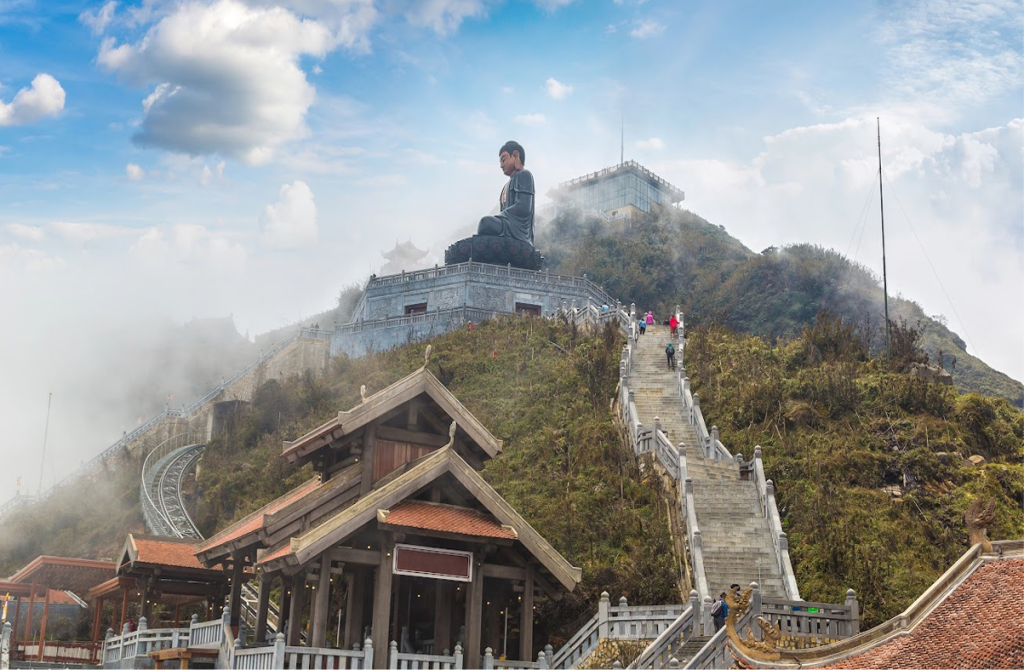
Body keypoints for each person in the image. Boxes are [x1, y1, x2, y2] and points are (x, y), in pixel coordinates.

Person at [477, 141, 535, 245]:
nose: (501, 165)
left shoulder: (524, 175)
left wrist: (499, 217)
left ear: (515, 155)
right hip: (506, 226)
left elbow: (524, 207)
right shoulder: (505, 186)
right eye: (500, 162)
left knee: (485, 223)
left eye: (503, 160)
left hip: (518, 231)